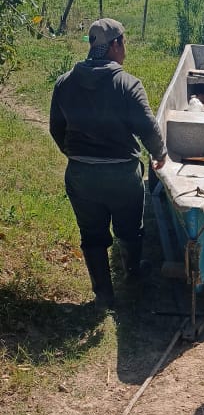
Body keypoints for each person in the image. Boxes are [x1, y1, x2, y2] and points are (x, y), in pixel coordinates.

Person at [49, 17, 167, 309]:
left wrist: (74, 154)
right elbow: (147, 128)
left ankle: (103, 294)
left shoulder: (65, 83)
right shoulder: (127, 84)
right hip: (120, 174)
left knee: (92, 235)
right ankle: (133, 272)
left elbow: (56, 127)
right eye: (123, 42)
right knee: (130, 229)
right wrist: (159, 154)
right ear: (115, 45)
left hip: (80, 173)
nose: (124, 49)